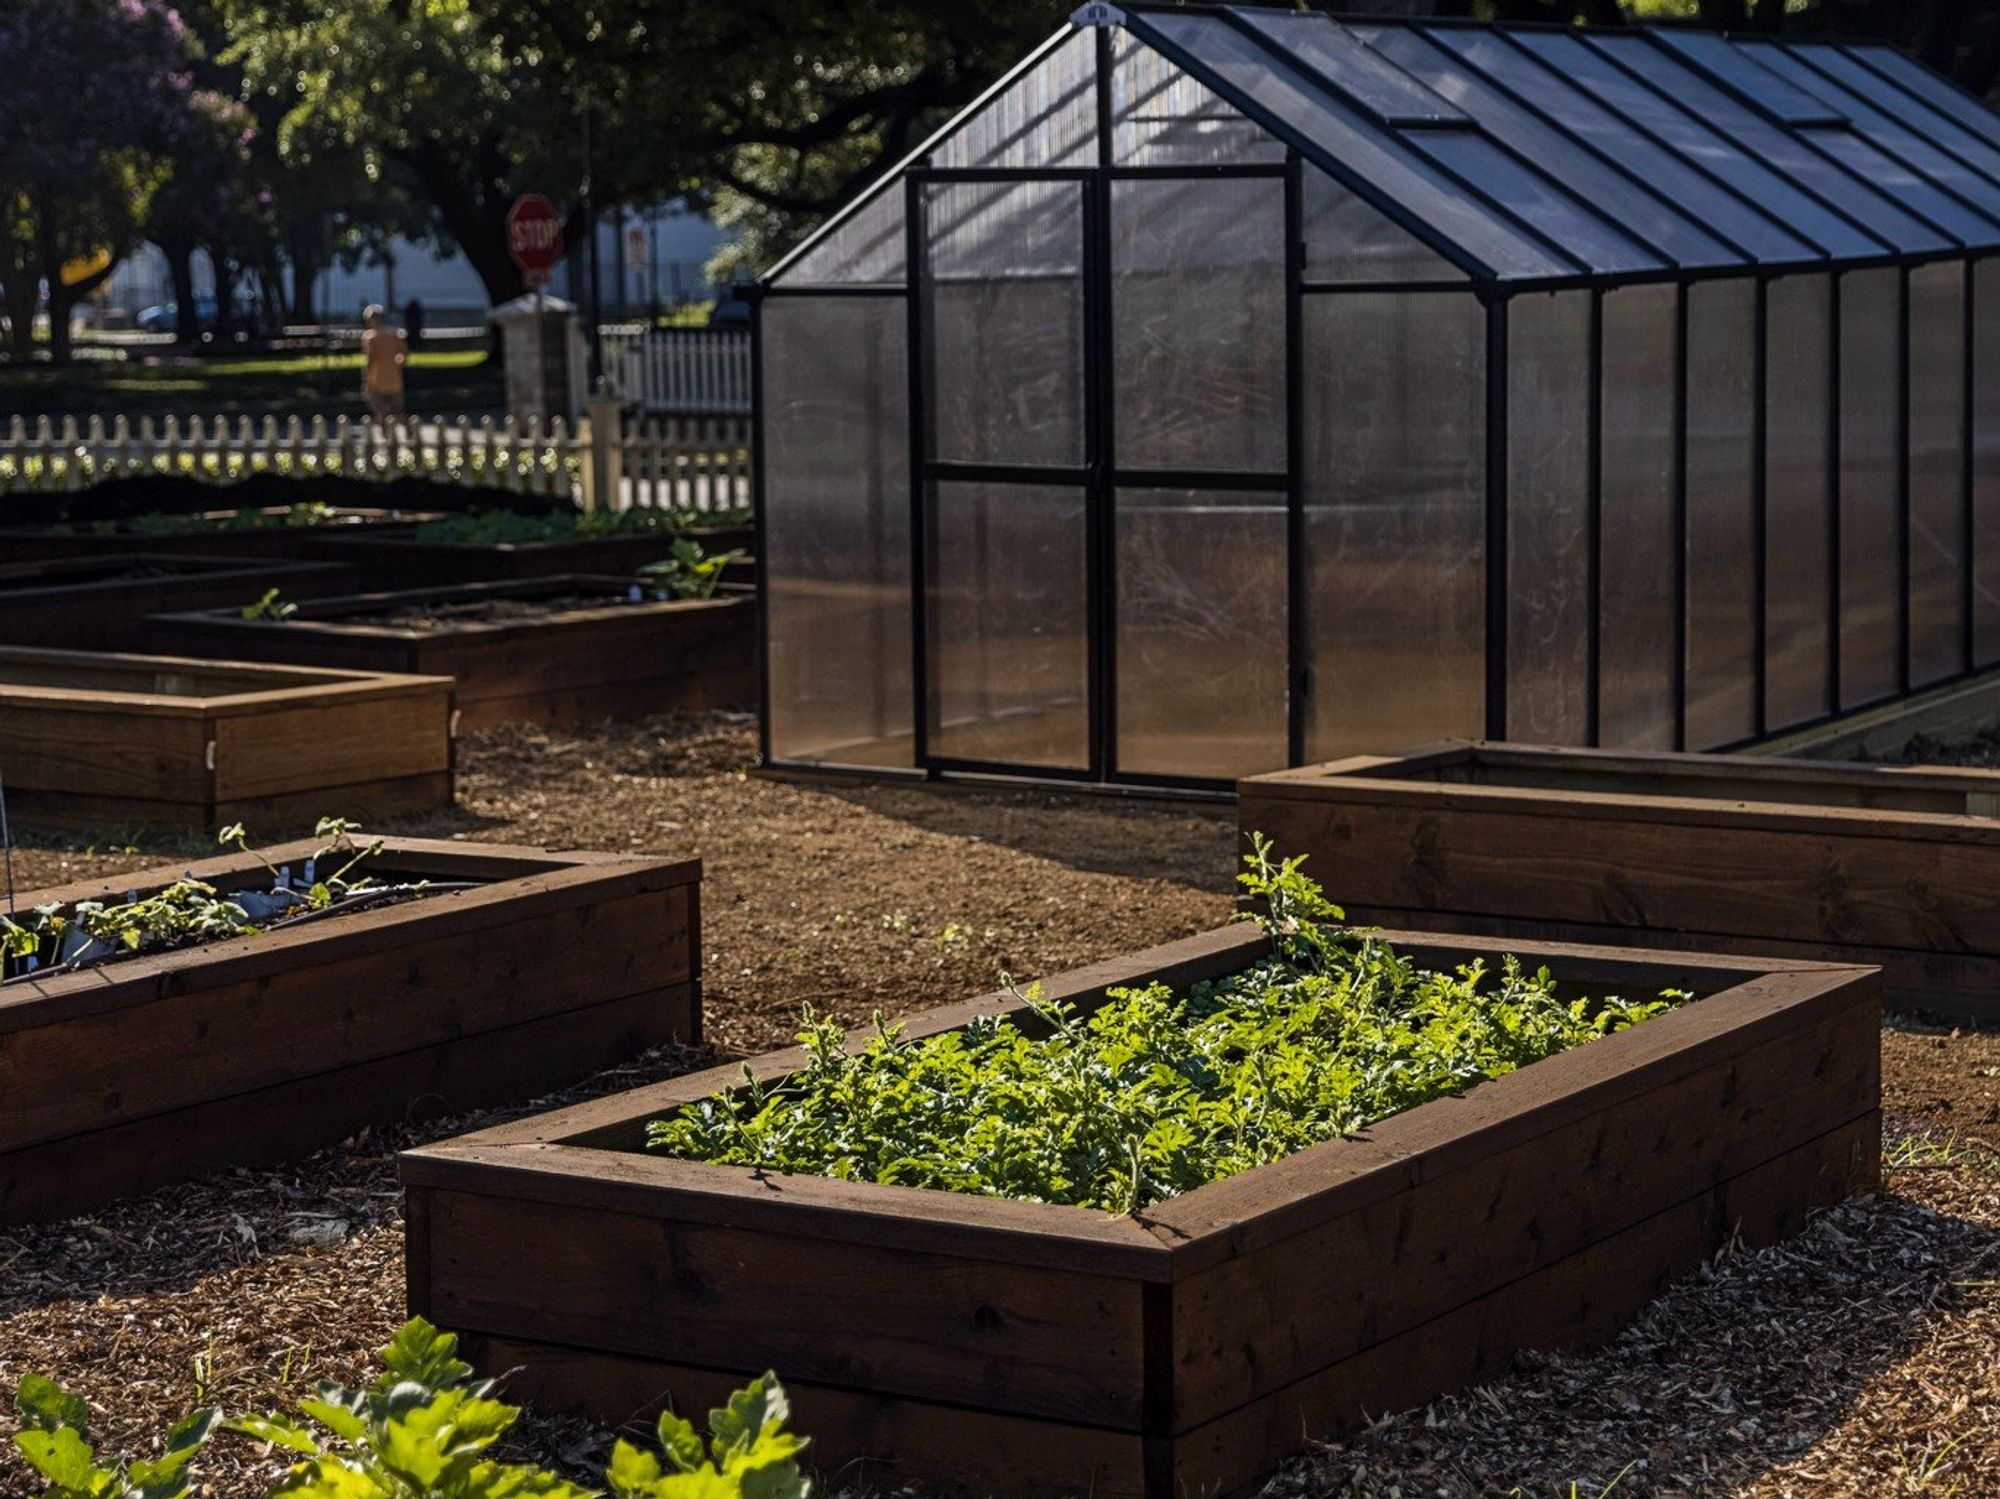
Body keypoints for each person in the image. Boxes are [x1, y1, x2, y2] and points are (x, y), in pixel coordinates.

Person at [361, 304, 407, 430]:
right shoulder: (395, 334)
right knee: (398, 408)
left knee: (380, 410)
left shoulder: (370, 338)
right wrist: (397, 364)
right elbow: (403, 355)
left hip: (377, 378)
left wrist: (366, 381)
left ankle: (385, 435)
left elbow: (369, 361)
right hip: (394, 378)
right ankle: (407, 432)